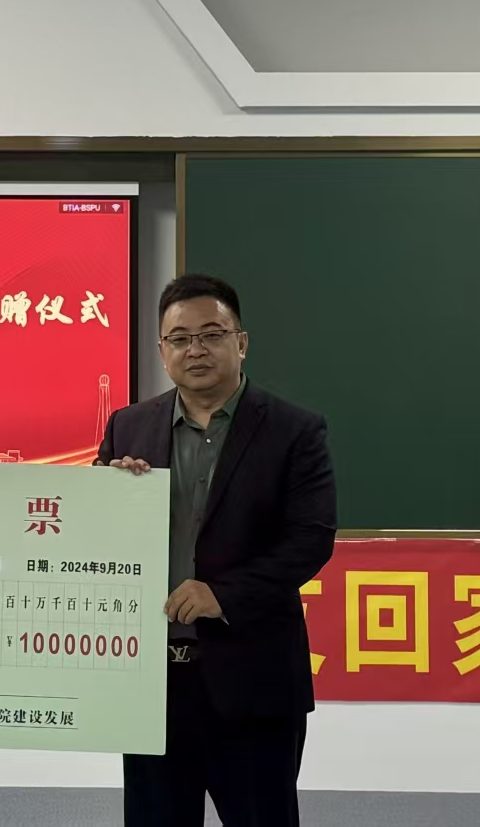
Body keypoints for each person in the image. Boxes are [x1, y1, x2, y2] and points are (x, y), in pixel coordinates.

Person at [99, 273, 336, 827]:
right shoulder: (128, 427)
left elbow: (310, 539)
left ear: (241, 342)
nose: (195, 349)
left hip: (253, 680)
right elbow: (96, 536)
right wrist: (109, 493)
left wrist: (222, 595)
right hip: (152, 686)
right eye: (180, 339)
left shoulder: (294, 430)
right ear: (162, 350)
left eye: (211, 334)